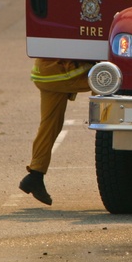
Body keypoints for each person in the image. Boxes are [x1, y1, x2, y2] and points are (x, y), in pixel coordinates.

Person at [19, 59, 93, 205]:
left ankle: (35, 176)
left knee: (50, 125)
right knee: (111, 78)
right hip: (59, 72)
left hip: (43, 72)